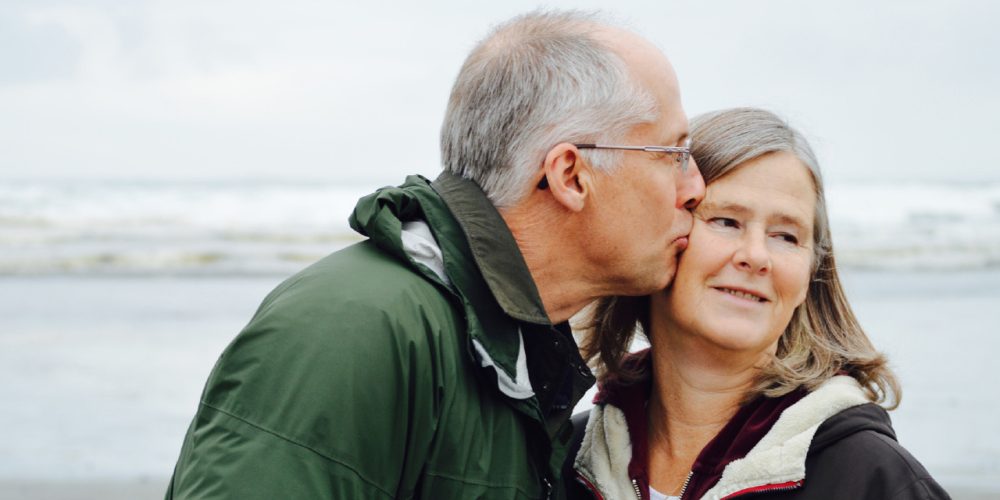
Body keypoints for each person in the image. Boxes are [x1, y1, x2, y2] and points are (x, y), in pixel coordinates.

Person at [165, 10, 705, 500]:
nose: (695, 187)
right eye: (674, 153)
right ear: (570, 175)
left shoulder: (513, 346)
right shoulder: (354, 329)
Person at [568, 108, 949, 499]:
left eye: (785, 236)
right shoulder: (568, 461)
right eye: (727, 222)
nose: (756, 255)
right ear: (660, 236)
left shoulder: (875, 478)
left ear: (810, 276)